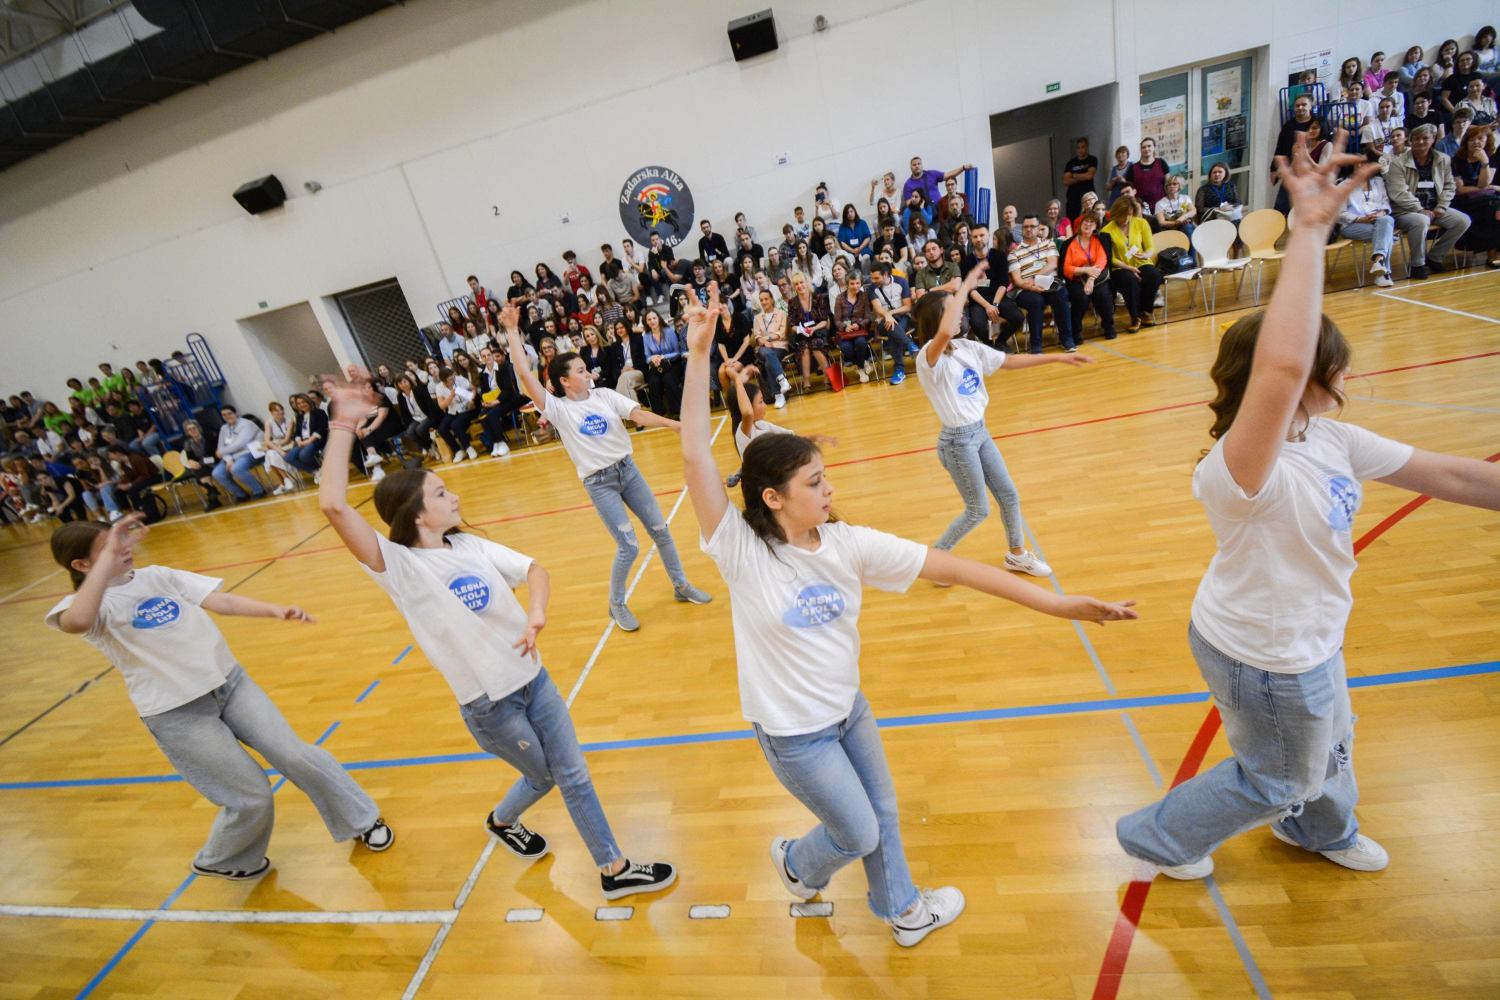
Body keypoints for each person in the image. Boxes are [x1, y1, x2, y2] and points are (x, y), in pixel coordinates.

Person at [676, 283, 1135, 947]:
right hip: (793, 732)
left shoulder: (850, 542)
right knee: (857, 830)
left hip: (847, 707)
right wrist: (697, 356)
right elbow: (693, 456)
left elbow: (961, 570)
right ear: (773, 498)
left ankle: (902, 908)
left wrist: (1060, 605)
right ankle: (797, 862)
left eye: (825, 476)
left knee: (883, 812)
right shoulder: (741, 551)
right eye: (814, 483)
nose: (829, 488)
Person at [1115, 130, 1500, 882]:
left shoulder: (1327, 437)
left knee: (1333, 742)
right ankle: (1158, 839)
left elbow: (1450, 476)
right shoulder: (1239, 470)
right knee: (1280, 774)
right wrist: (1312, 228)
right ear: (1289, 381)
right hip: (1266, 656)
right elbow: (1285, 362)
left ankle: (1319, 832)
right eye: (1332, 365)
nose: (1345, 371)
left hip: (1306, 636)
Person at [315, 382, 675, 899]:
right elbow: (332, 504)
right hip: (491, 706)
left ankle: (613, 870)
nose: (454, 495)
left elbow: (535, 568)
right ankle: (504, 819)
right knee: (547, 777)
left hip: (536, 680)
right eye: (440, 493)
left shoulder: (469, 543)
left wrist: (536, 612)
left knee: (571, 775)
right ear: (416, 514)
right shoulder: (401, 567)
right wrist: (343, 423)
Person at [47, 515, 392, 881]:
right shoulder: (86, 606)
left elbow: (220, 601)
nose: (123, 549)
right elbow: (78, 622)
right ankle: (222, 859)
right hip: (177, 713)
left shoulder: (158, 575)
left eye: (120, 541)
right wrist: (103, 567)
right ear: (82, 565)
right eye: (108, 549)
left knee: (296, 753)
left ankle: (363, 820)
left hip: (230, 684)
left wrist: (274, 610)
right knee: (251, 796)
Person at [498, 302, 712, 632]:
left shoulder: (605, 396)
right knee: (629, 546)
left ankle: (681, 586)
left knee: (661, 531)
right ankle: (616, 604)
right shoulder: (558, 410)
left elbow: (638, 415)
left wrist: (675, 426)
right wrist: (512, 330)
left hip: (628, 471)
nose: (589, 373)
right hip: (600, 483)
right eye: (581, 371)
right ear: (565, 382)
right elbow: (525, 374)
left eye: (587, 369)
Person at [915, 259, 1090, 576]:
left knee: (1009, 495)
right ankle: (936, 558)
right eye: (953, 308)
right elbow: (942, 333)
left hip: (979, 433)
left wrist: (1056, 359)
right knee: (977, 510)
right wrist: (966, 283)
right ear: (939, 318)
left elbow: (1007, 363)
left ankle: (1017, 554)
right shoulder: (929, 356)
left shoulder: (967, 347)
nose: (961, 311)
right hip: (957, 443)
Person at [1384, 124, 1472, 278]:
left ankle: (1435, 257)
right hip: (1406, 210)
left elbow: (1450, 185)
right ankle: (1417, 264)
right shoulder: (1398, 163)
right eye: (1416, 139)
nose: (1421, 142)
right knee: (1421, 220)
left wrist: (1442, 206)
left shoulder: (1443, 159)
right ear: (1410, 141)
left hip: (1435, 207)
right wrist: (1419, 209)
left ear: (1433, 140)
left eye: (1425, 138)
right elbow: (1398, 192)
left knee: (1463, 221)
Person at [1008, 215, 1074, 354]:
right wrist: (1031, 286)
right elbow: (1017, 280)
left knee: (1060, 295)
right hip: (1026, 289)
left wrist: (1035, 278)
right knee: (1035, 301)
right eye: (1026, 227)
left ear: (1038, 228)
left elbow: (1053, 263)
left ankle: (1067, 339)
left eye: (1032, 226)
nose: (1029, 229)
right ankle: (1036, 345)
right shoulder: (1014, 253)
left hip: (1049, 283)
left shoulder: (1049, 244)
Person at [1338, 147, 1399, 287]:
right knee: (1387, 231)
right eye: (1358, 163)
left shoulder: (1378, 181)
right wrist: (1361, 219)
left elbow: (1385, 203)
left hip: (1378, 221)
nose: (1361, 165)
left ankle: (1380, 266)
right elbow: (1339, 214)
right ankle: (1382, 269)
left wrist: (1383, 212)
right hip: (1353, 225)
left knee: (1386, 220)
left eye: (1365, 163)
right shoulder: (1343, 185)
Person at [1102, 196, 1163, 332]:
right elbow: (1110, 258)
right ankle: (1135, 317)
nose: (1127, 219)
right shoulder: (1106, 230)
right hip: (1120, 266)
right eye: (1123, 215)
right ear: (1116, 213)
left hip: (1141, 261)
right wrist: (1129, 268)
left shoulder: (1142, 223)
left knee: (1154, 275)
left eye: (1129, 215)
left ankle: (1146, 311)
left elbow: (1149, 247)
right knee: (1129, 280)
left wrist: (1146, 255)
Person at [1062, 212, 1117, 343]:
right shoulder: (1069, 244)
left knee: (1103, 295)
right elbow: (1066, 268)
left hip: (1097, 277)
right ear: (1080, 224)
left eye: (1092, 223)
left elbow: (1102, 261)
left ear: (1096, 226)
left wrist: (1091, 279)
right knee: (1081, 298)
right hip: (1076, 278)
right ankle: (1076, 331)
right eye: (1086, 221)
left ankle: (1108, 327)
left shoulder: (1099, 240)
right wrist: (1085, 269)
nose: (1088, 224)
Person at [1451, 126, 1500, 268]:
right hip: (1462, 202)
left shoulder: (1489, 158)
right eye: (1472, 139)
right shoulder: (1457, 160)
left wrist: (1484, 163)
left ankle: (1493, 252)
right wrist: (1481, 187)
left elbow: (1485, 183)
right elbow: (1460, 190)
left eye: (1480, 138)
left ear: (1487, 141)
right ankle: (1491, 256)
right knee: (1494, 205)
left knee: (1495, 206)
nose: (1476, 142)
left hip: (1485, 201)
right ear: (1466, 142)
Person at [786, 271, 837, 393]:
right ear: (794, 287)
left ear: (807, 283)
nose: (800, 286)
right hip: (802, 334)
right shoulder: (792, 302)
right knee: (804, 347)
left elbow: (825, 320)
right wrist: (801, 330)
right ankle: (807, 382)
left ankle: (828, 377)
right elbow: (792, 324)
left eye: (801, 282)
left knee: (816, 345)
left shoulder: (818, 298)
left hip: (819, 330)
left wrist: (813, 329)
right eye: (796, 284)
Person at [212, 405, 265, 502]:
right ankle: (241, 494)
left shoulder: (247, 424)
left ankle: (258, 490)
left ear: (236, 413)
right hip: (232, 457)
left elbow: (240, 444)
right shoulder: (224, 428)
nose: (227, 416)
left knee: (236, 468)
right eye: (224, 415)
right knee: (217, 473)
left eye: (229, 413)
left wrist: (223, 452)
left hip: (251, 452)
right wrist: (228, 459)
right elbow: (220, 446)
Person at [1273, 96, 1317, 212]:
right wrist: (1273, 169)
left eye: (1304, 104)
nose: (1300, 107)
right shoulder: (1289, 125)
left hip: (1310, 174)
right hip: (1291, 171)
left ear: (1310, 106)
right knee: (1280, 209)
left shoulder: (1318, 123)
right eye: (1297, 105)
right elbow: (1280, 147)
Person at [832, 270, 875, 383]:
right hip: (845, 332)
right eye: (852, 283)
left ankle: (859, 367)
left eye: (857, 283)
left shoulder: (864, 296)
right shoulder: (839, 298)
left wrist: (859, 324)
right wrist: (845, 327)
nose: (855, 286)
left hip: (860, 331)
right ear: (847, 284)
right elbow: (836, 320)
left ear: (861, 283)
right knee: (846, 347)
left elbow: (868, 316)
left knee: (860, 342)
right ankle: (861, 365)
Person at [1125, 138, 1171, 224]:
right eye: (1143, 147)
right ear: (1141, 150)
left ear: (1154, 148)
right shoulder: (1133, 168)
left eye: (1149, 146)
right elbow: (1129, 189)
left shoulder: (1161, 163)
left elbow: (1168, 184)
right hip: (1141, 209)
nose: (1146, 149)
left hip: (1161, 206)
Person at [901, 155, 971, 209]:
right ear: (910, 167)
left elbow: (949, 175)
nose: (917, 166)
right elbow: (908, 203)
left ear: (922, 165)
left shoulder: (931, 174)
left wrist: (963, 168)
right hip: (922, 213)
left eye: (919, 164)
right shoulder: (908, 184)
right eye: (914, 165)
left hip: (939, 209)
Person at [1062, 137, 1099, 218]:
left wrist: (1074, 175)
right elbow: (1066, 181)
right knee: (1072, 221)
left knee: (1091, 218)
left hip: (1088, 197)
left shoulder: (1092, 159)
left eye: (1083, 147)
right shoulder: (1071, 163)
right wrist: (1083, 176)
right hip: (1073, 198)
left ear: (1087, 147)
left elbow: (1089, 176)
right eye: (1078, 147)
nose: (1080, 149)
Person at [1153, 175, 1198, 241]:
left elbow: (1193, 211)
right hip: (1169, 230)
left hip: (1184, 227)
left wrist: (1183, 217)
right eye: (1169, 184)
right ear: (1166, 187)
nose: (1171, 186)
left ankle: (1190, 251)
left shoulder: (1185, 198)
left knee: (1188, 227)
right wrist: (1177, 222)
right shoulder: (1160, 203)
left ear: (1180, 185)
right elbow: (1161, 222)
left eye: (1174, 184)